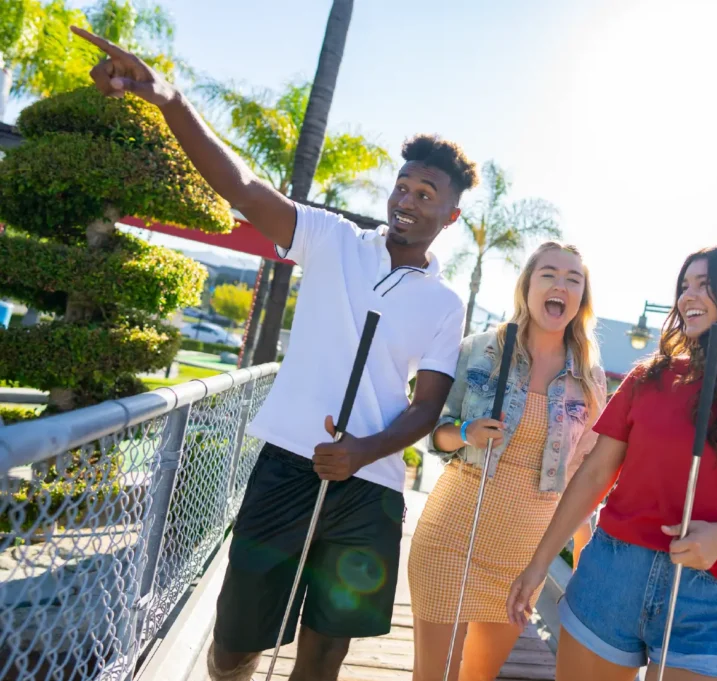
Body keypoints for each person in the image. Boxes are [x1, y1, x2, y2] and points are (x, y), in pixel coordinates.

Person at [72, 27, 479, 681]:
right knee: (235, 644)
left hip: (368, 490)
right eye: (402, 186)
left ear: (451, 215)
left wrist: (360, 452)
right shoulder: (331, 238)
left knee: (324, 652)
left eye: (426, 194)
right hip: (286, 468)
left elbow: (425, 407)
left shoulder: (445, 303)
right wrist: (170, 100)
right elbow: (242, 187)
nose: (407, 200)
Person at [507, 245, 717, 681]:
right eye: (684, 286)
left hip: (709, 603)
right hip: (611, 578)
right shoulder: (649, 378)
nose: (687, 297)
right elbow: (595, 474)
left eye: (705, 285)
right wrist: (540, 561)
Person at [409, 242, 607, 681]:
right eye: (549, 274)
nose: (560, 285)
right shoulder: (481, 349)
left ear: (582, 298)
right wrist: (465, 432)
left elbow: (583, 470)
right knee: (432, 675)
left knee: (478, 676)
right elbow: (431, 427)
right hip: (453, 531)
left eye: (573, 279)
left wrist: (583, 541)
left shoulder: (589, 378)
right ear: (528, 286)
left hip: (524, 553)